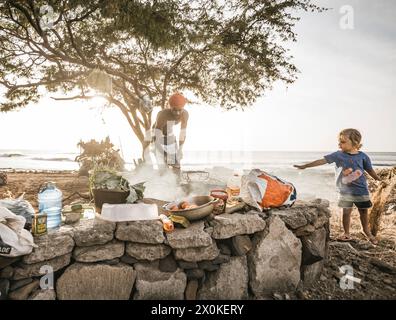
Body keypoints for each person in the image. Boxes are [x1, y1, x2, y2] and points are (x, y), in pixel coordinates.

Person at [294, 128, 385, 244]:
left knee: (363, 212)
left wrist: (379, 179)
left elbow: (370, 170)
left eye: (343, 142)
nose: (339, 144)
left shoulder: (363, 156)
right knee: (346, 212)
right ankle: (346, 233)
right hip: (345, 191)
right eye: (339, 141)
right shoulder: (338, 155)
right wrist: (305, 166)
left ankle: (366, 231)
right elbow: (322, 161)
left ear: (355, 143)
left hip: (361, 190)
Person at [147, 93, 189, 171]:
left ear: (183, 108)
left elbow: (182, 132)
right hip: (157, 135)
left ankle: (176, 181)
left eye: (180, 110)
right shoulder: (163, 114)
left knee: (176, 164)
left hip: (169, 134)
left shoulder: (185, 114)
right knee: (163, 165)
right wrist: (163, 153)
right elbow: (157, 136)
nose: (177, 113)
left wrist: (180, 149)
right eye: (174, 110)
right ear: (170, 107)